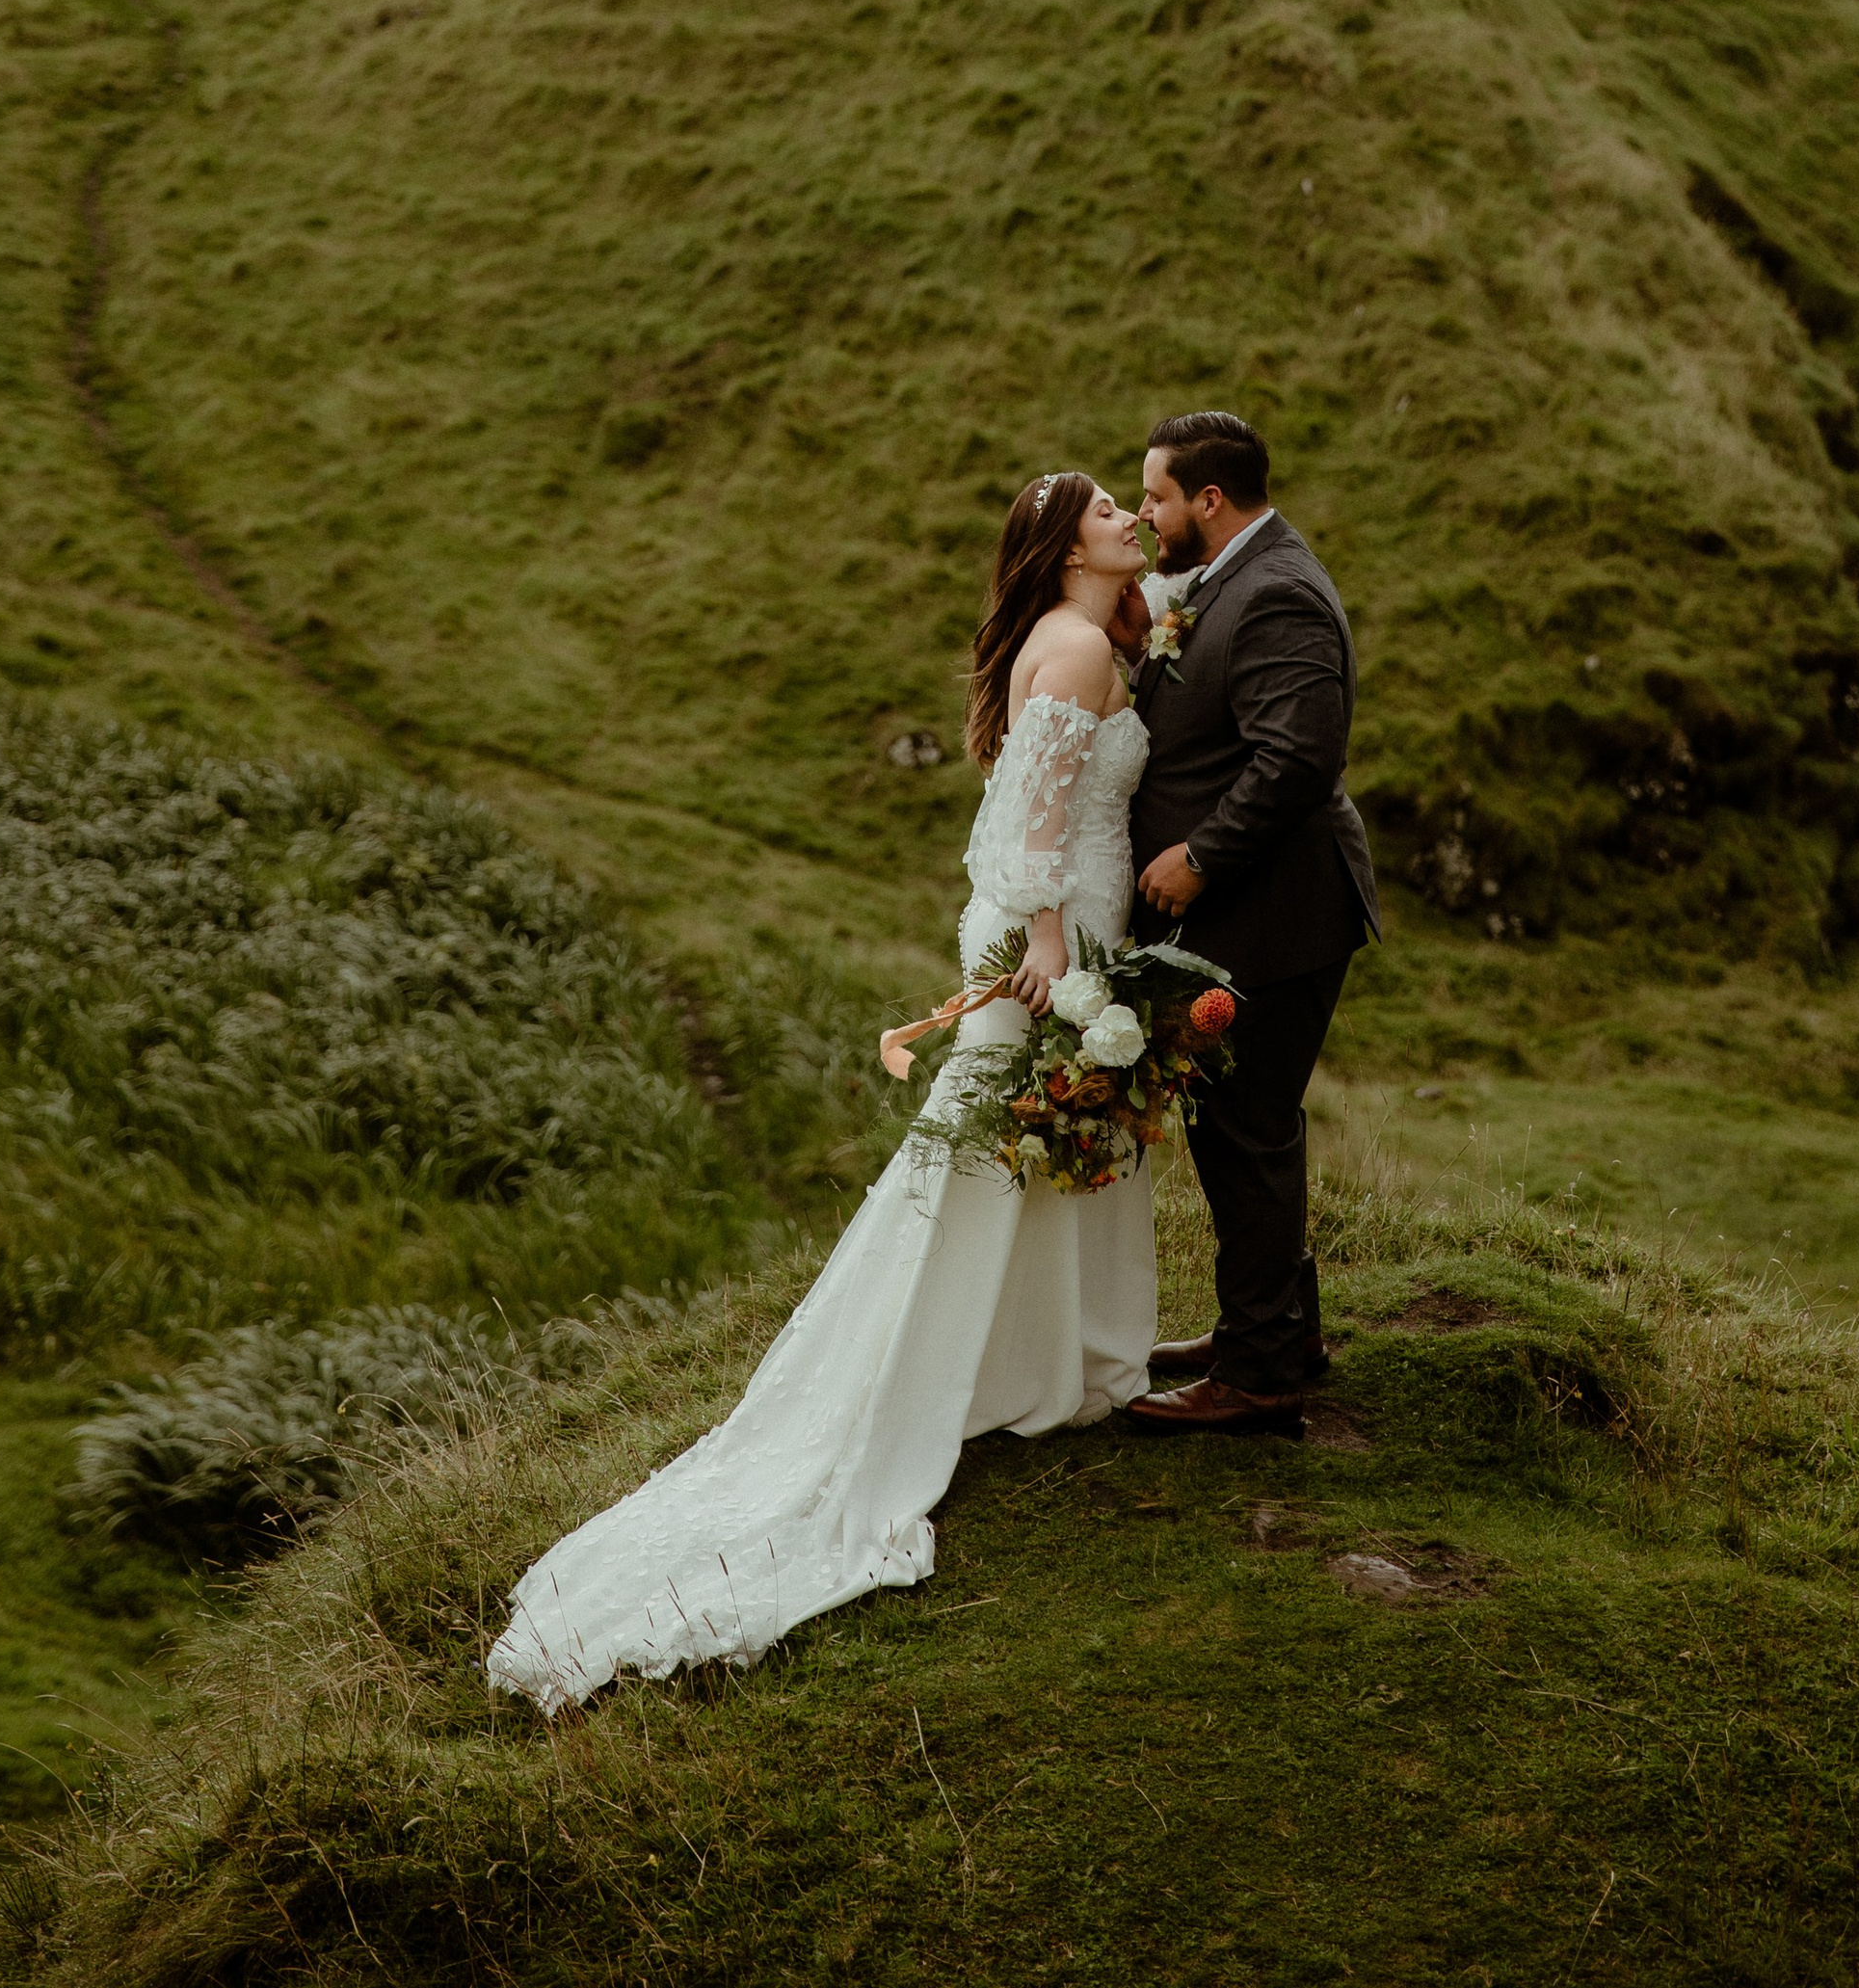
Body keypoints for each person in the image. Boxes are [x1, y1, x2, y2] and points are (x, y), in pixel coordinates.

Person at [487, 472, 1157, 1709]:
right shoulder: (1069, 645)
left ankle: (1057, 1363)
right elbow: (1026, 832)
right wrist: (1051, 951)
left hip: (1069, 924)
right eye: (1107, 506)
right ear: (1064, 549)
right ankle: (986, 1373)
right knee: (995, 1154)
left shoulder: (1088, 627)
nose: (1129, 511)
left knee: (1039, 1148)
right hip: (1050, 938)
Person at [1123, 408, 1378, 1439]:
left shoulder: (1274, 592)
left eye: (1155, 496)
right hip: (1254, 914)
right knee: (1238, 1127)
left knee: (1246, 1130)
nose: (1144, 514)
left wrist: (1200, 855)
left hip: (1275, 912)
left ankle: (1263, 1373)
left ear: (1208, 499)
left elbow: (1298, 759)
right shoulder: (1232, 576)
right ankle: (1268, 1330)